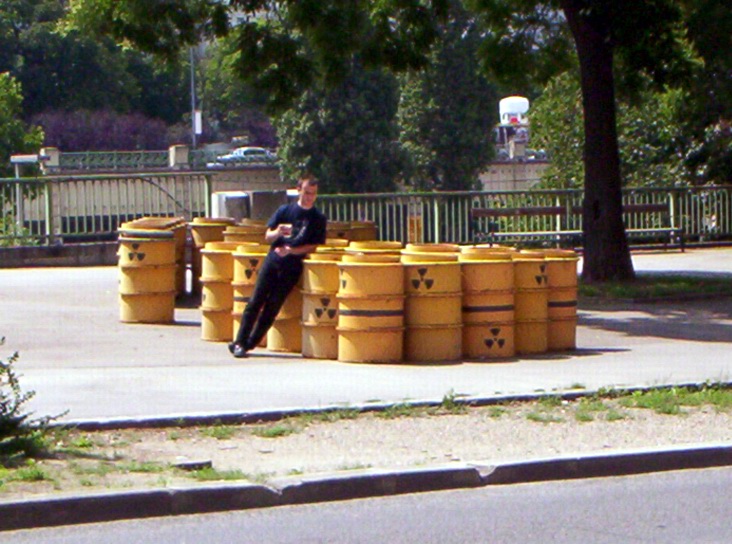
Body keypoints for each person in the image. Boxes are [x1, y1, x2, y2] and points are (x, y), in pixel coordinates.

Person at [228, 174, 327, 358]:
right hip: (273, 261)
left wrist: (292, 251)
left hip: (292, 267)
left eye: (313, 194)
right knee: (255, 302)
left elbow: (315, 245)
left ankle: (249, 344)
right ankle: (239, 341)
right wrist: (277, 232)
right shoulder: (285, 210)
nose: (309, 197)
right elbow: (267, 236)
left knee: (272, 306)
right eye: (306, 192)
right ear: (298, 190)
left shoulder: (318, 218)